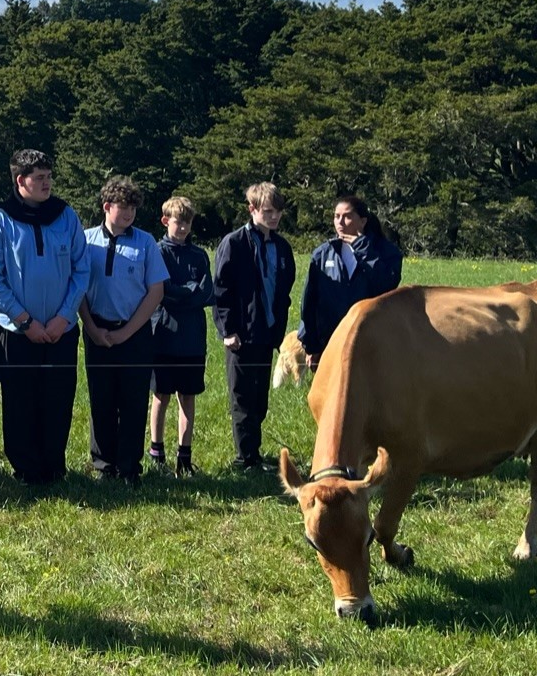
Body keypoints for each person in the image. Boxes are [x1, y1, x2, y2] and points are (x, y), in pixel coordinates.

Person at [0, 149, 91, 486]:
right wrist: (25, 321)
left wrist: (64, 316)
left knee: (58, 398)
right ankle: (26, 468)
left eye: (49, 176)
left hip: (61, 329)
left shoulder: (65, 216)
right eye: (39, 178)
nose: (47, 183)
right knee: (20, 399)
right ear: (20, 180)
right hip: (17, 331)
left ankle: (54, 466)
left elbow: (81, 268)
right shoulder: (0, 220)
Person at [79, 178, 167, 481]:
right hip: (96, 331)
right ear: (106, 207)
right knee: (101, 400)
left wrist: (127, 332)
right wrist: (90, 328)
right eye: (123, 207)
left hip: (135, 333)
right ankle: (104, 465)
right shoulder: (86, 240)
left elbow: (156, 291)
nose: (129, 213)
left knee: (132, 401)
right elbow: (77, 288)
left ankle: (129, 467)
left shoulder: (145, 242)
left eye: (133, 208)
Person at [211, 182, 296, 473]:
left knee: (260, 398)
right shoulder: (234, 243)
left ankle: (254, 453)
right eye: (268, 212)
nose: (274, 218)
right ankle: (244, 458)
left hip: (268, 332)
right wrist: (227, 330)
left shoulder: (282, 247)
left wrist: (280, 330)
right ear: (252, 209)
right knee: (242, 396)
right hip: (241, 333)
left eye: (278, 213)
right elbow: (221, 289)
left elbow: (284, 289)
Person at [295, 194, 405, 367]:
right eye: (337, 216)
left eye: (347, 216)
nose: (340, 222)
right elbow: (309, 302)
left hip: (371, 341)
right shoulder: (322, 254)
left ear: (362, 221)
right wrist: (311, 345)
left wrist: (363, 249)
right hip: (330, 342)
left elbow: (387, 284)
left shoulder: (386, 252)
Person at [149, 194, 214, 478]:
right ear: (166, 221)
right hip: (163, 333)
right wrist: (187, 292)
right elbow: (162, 291)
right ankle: (156, 452)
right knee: (161, 394)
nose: (184, 227)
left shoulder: (199, 255)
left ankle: (184, 457)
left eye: (188, 222)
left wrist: (183, 292)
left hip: (192, 338)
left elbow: (206, 292)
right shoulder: (157, 252)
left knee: (188, 396)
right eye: (178, 222)